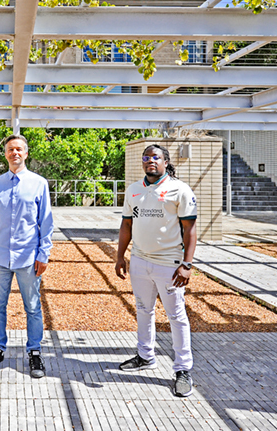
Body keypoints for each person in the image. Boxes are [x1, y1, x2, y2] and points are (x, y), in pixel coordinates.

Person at [115, 144, 197, 398]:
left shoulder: (179, 189)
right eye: (147, 157)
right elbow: (126, 225)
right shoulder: (134, 190)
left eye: (156, 157)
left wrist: (186, 264)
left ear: (165, 161)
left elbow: (190, 230)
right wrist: (120, 256)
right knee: (143, 309)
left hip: (169, 265)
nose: (151, 161)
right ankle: (145, 355)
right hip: (139, 261)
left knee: (176, 315)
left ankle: (183, 369)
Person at [0, 134, 54, 379]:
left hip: (29, 258)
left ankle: (34, 351)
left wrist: (44, 254)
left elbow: (46, 222)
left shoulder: (39, 183)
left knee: (32, 307)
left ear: (26, 153)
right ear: (6, 154)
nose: (15, 153)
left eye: (19, 149)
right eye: (11, 149)